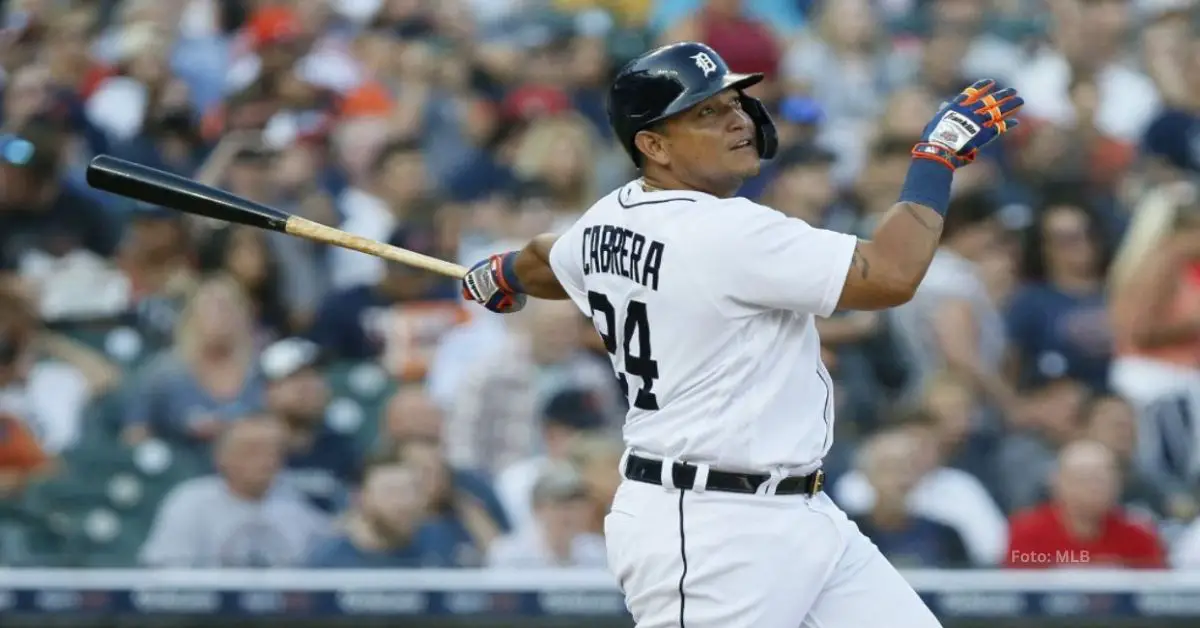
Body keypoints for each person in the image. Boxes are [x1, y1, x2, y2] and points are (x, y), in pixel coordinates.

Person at [458, 42, 1023, 628]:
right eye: (704, 112)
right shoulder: (727, 230)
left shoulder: (605, 219)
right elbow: (889, 275)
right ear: (652, 145)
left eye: (733, 102)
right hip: (708, 529)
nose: (736, 120)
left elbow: (546, 259)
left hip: (798, 512)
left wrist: (501, 274)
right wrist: (935, 157)